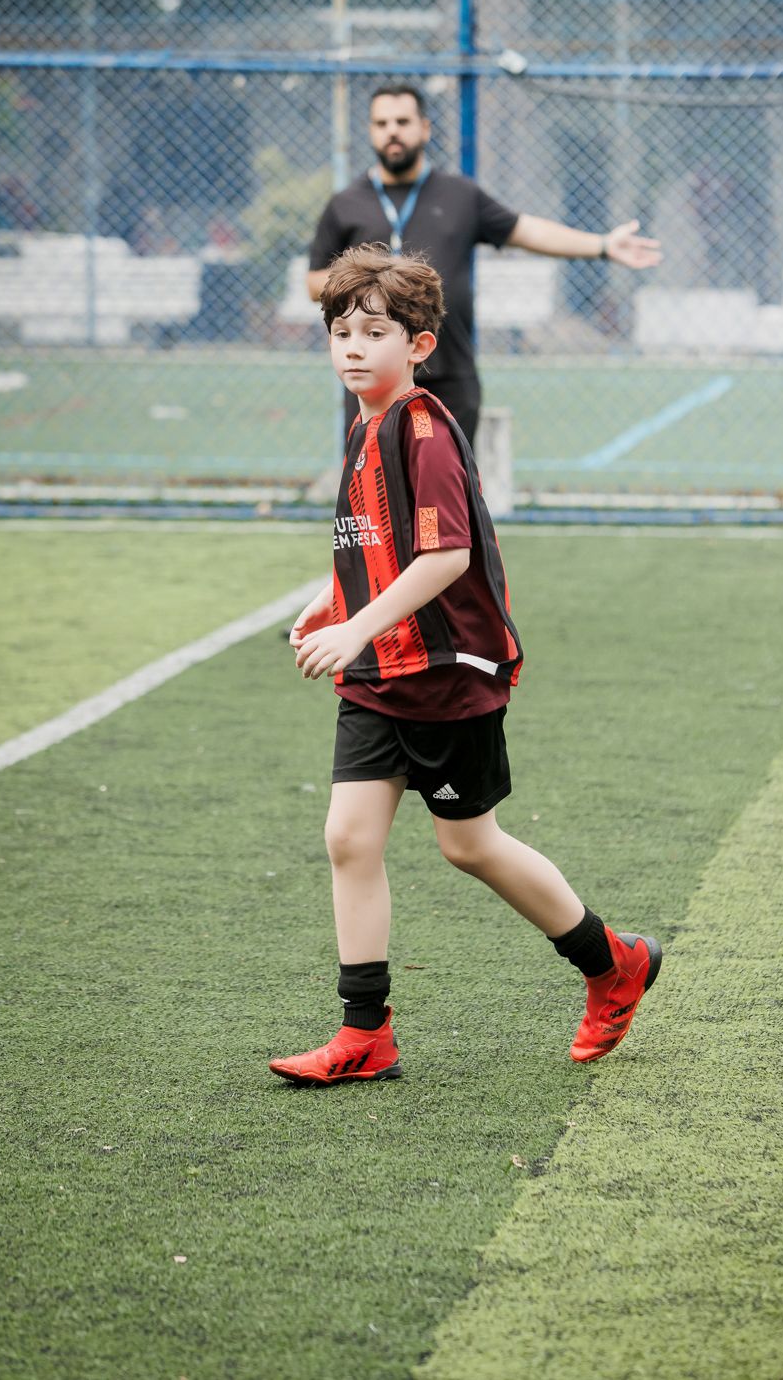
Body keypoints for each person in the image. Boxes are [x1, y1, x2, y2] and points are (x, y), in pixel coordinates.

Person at [268, 244, 661, 1086]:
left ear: (418, 345)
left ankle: (613, 962)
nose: (354, 348)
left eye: (375, 332)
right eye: (341, 332)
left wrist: (356, 626)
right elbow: (378, 545)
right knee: (348, 838)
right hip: (380, 670)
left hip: (449, 671)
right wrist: (330, 603)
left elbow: (444, 558)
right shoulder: (363, 424)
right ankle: (365, 1033)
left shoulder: (424, 432)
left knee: (469, 845)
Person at [307, 82, 662, 445]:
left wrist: (602, 245)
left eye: (402, 121)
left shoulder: (461, 195)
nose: (392, 131)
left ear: (425, 128)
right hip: (376, 378)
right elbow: (315, 283)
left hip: (450, 374)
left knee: (448, 480)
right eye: (382, 124)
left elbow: (527, 231)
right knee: (374, 479)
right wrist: (374, 280)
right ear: (370, 131)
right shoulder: (345, 204)